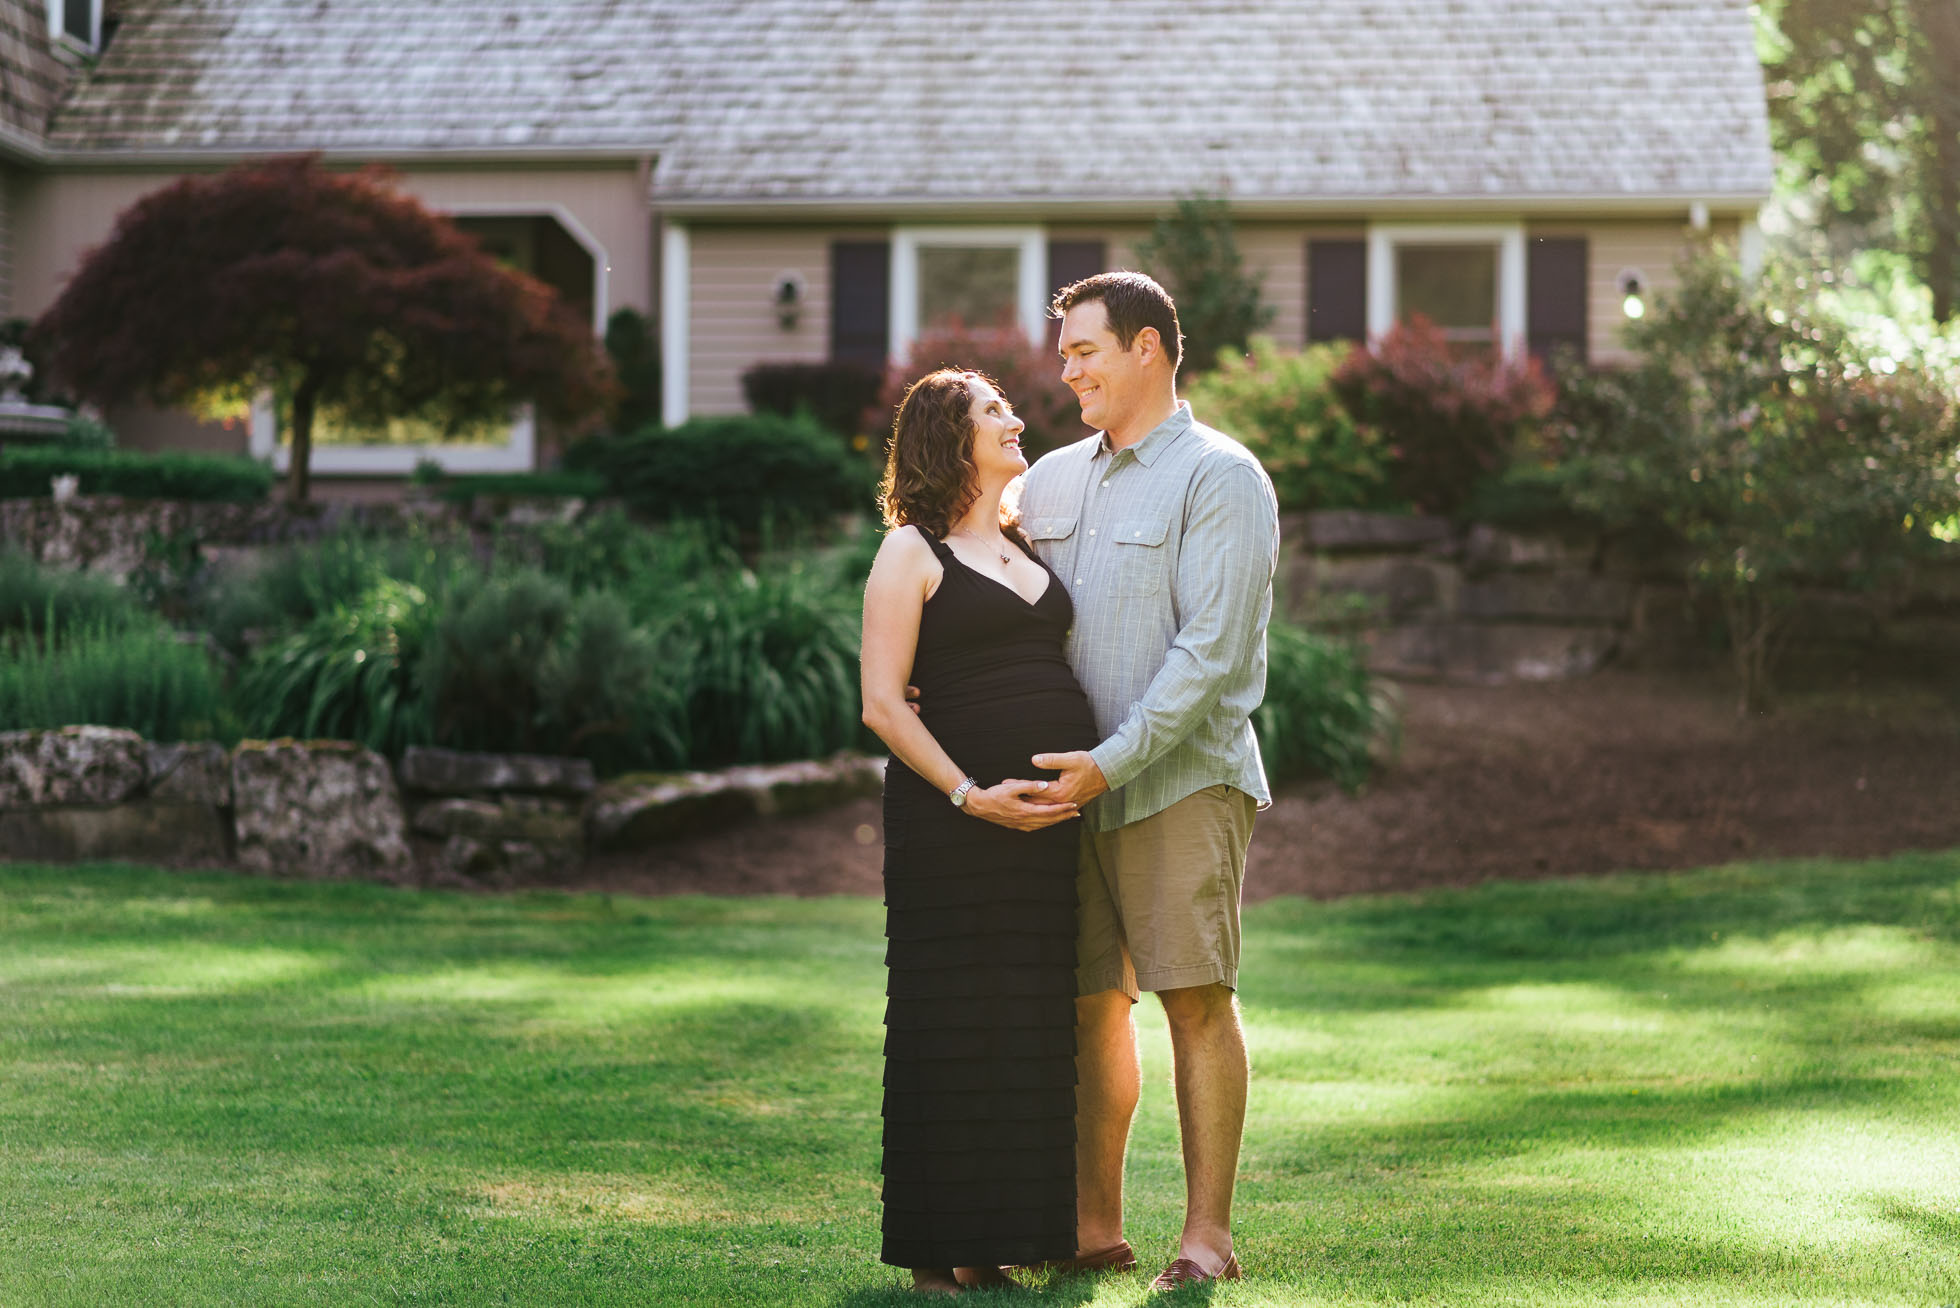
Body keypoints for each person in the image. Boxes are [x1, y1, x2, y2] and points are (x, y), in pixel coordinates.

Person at [1018, 271, 1280, 1290]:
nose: (1067, 369)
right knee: (1088, 1007)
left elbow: (1209, 654)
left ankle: (1205, 1236)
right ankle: (1092, 1227)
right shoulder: (1043, 481)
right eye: (1065, 353)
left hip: (1179, 782)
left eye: (1084, 350)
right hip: (1065, 794)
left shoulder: (1221, 478)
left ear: (1147, 349)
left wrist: (1110, 764)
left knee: (1193, 1001)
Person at [858, 368, 1102, 1295]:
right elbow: (884, 705)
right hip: (951, 829)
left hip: (1041, 832)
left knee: (1024, 1022)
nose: (1014, 420)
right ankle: (933, 1251)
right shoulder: (909, 554)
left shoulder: (1025, 540)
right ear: (946, 439)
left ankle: (996, 1244)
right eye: (991, 412)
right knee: (947, 1021)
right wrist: (969, 793)